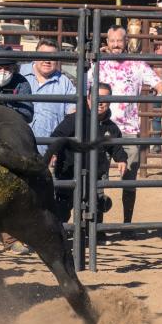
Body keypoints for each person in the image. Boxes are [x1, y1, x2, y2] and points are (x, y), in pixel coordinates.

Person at [92, 25, 162, 229]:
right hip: (102, 127)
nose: (116, 45)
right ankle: (98, 227)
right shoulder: (99, 63)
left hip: (128, 128)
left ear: (126, 42)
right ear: (107, 42)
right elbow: (86, 88)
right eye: (113, 40)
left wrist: (161, 89)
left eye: (120, 40)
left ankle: (127, 224)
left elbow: (157, 83)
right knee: (99, 176)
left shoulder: (137, 64)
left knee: (129, 178)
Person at [46, 83, 127, 237]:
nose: (101, 102)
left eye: (105, 98)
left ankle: (94, 232)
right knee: (64, 203)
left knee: (95, 202)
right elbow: (57, 136)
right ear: (89, 99)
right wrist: (53, 152)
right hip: (69, 169)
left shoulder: (111, 127)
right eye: (97, 98)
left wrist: (121, 159)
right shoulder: (76, 119)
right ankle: (59, 233)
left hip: (95, 172)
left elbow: (116, 147)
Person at [20, 38, 77, 154]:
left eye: (52, 56)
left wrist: (56, 150)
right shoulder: (19, 73)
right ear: (35, 55)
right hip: (17, 148)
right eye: (43, 55)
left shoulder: (65, 83)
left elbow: (72, 116)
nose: (47, 61)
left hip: (48, 155)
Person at [0, 46, 33, 123]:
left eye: (7, 68)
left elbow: (27, 115)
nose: (2, 72)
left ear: (14, 69)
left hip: (10, 127)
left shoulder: (21, 82)